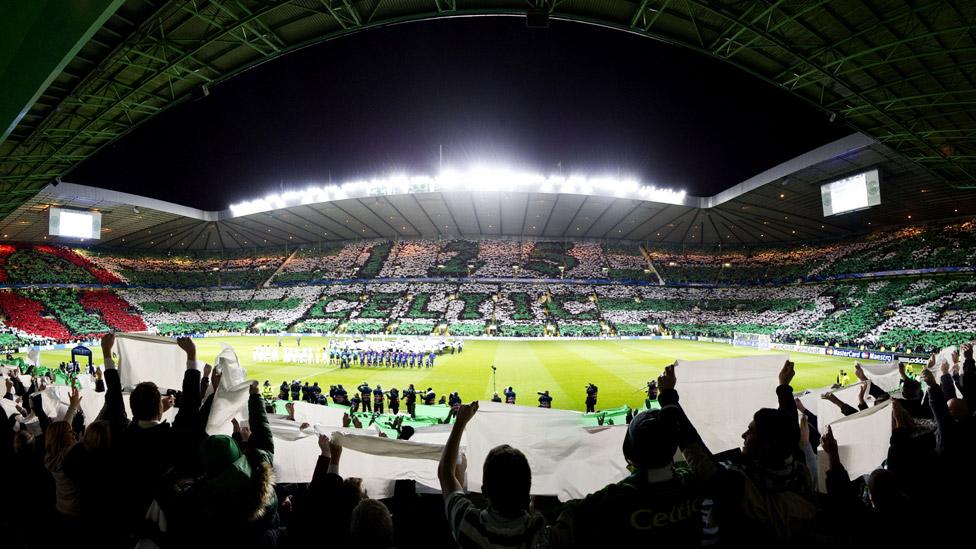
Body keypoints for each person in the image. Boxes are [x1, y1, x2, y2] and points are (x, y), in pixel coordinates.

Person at [550, 368, 706, 548]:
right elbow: (695, 448)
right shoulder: (697, 480)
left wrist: (542, 500)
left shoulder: (616, 497)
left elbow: (565, 511)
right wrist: (669, 397)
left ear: (630, 451)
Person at [438, 402, 546, 548]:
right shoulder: (539, 534)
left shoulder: (467, 522)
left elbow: (445, 474)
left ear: (484, 491)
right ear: (529, 493)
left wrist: (460, 423)